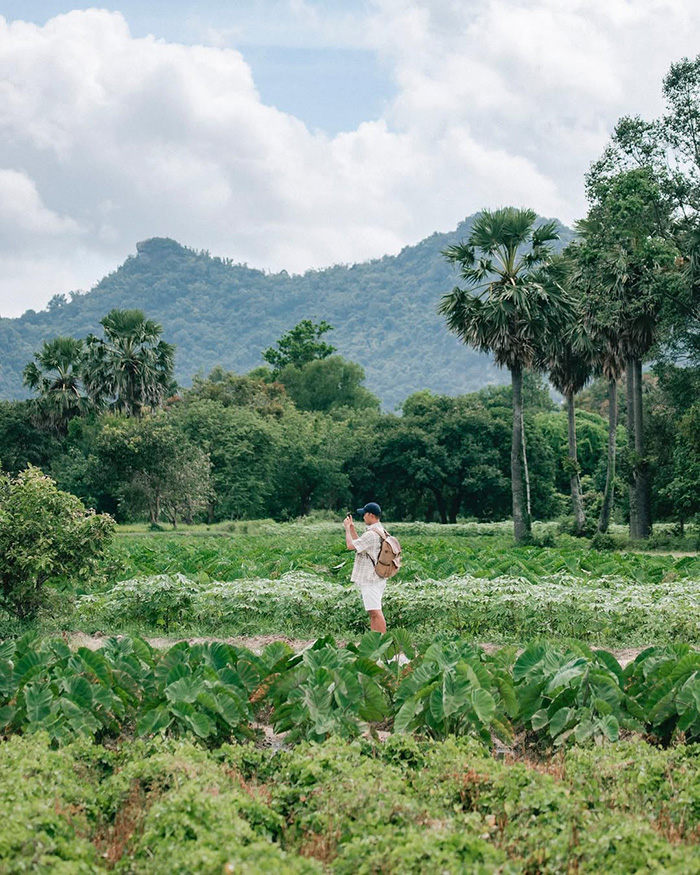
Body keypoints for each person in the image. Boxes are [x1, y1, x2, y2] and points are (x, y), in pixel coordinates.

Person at [343, 501, 387, 633]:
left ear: (371, 515)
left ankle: (383, 641)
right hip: (378, 576)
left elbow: (351, 546)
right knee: (373, 611)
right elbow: (360, 545)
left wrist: (346, 529)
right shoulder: (379, 530)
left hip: (370, 578)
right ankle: (376, 640)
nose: (363, 517)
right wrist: (352, 528)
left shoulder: (371, 534)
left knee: (375, 611)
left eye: (364, 514)